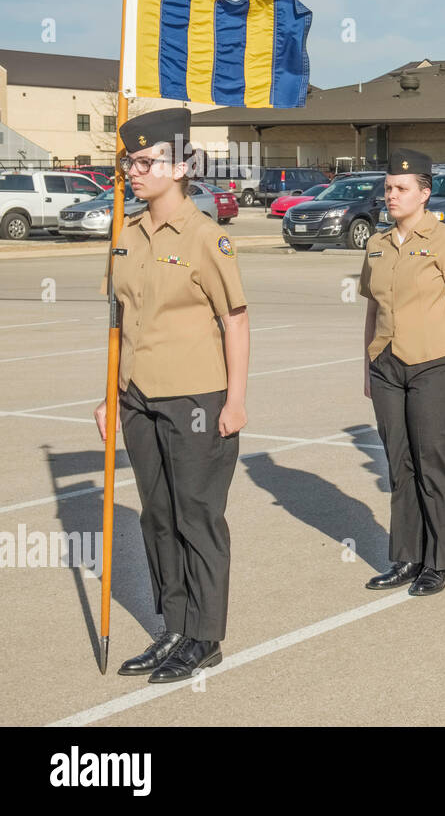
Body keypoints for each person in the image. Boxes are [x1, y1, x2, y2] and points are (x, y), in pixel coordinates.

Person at [95, 108, 249, 683]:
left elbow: (235, 321)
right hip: (137, 397)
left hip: (196, 400)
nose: (132, 171)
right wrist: (109, 395)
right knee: (156, 518)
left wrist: (235, 401)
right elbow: (118, 321)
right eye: (127, 162)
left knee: (197, 517)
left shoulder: (209, 238)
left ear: (182, 165)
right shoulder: (125, 235)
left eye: (143, 161)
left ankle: (203, 635)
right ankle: (174, 625)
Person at [361, 149, 445, 596]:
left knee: (434, 462)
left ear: (424, 194)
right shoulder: (376, 245)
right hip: (387, 364)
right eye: (388, 188)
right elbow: (373, 310)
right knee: (400, 462)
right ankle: (408, 556)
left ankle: (441, 559)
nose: (391, 195)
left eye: (401, 189)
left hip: (435, 365)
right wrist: (367, 367)